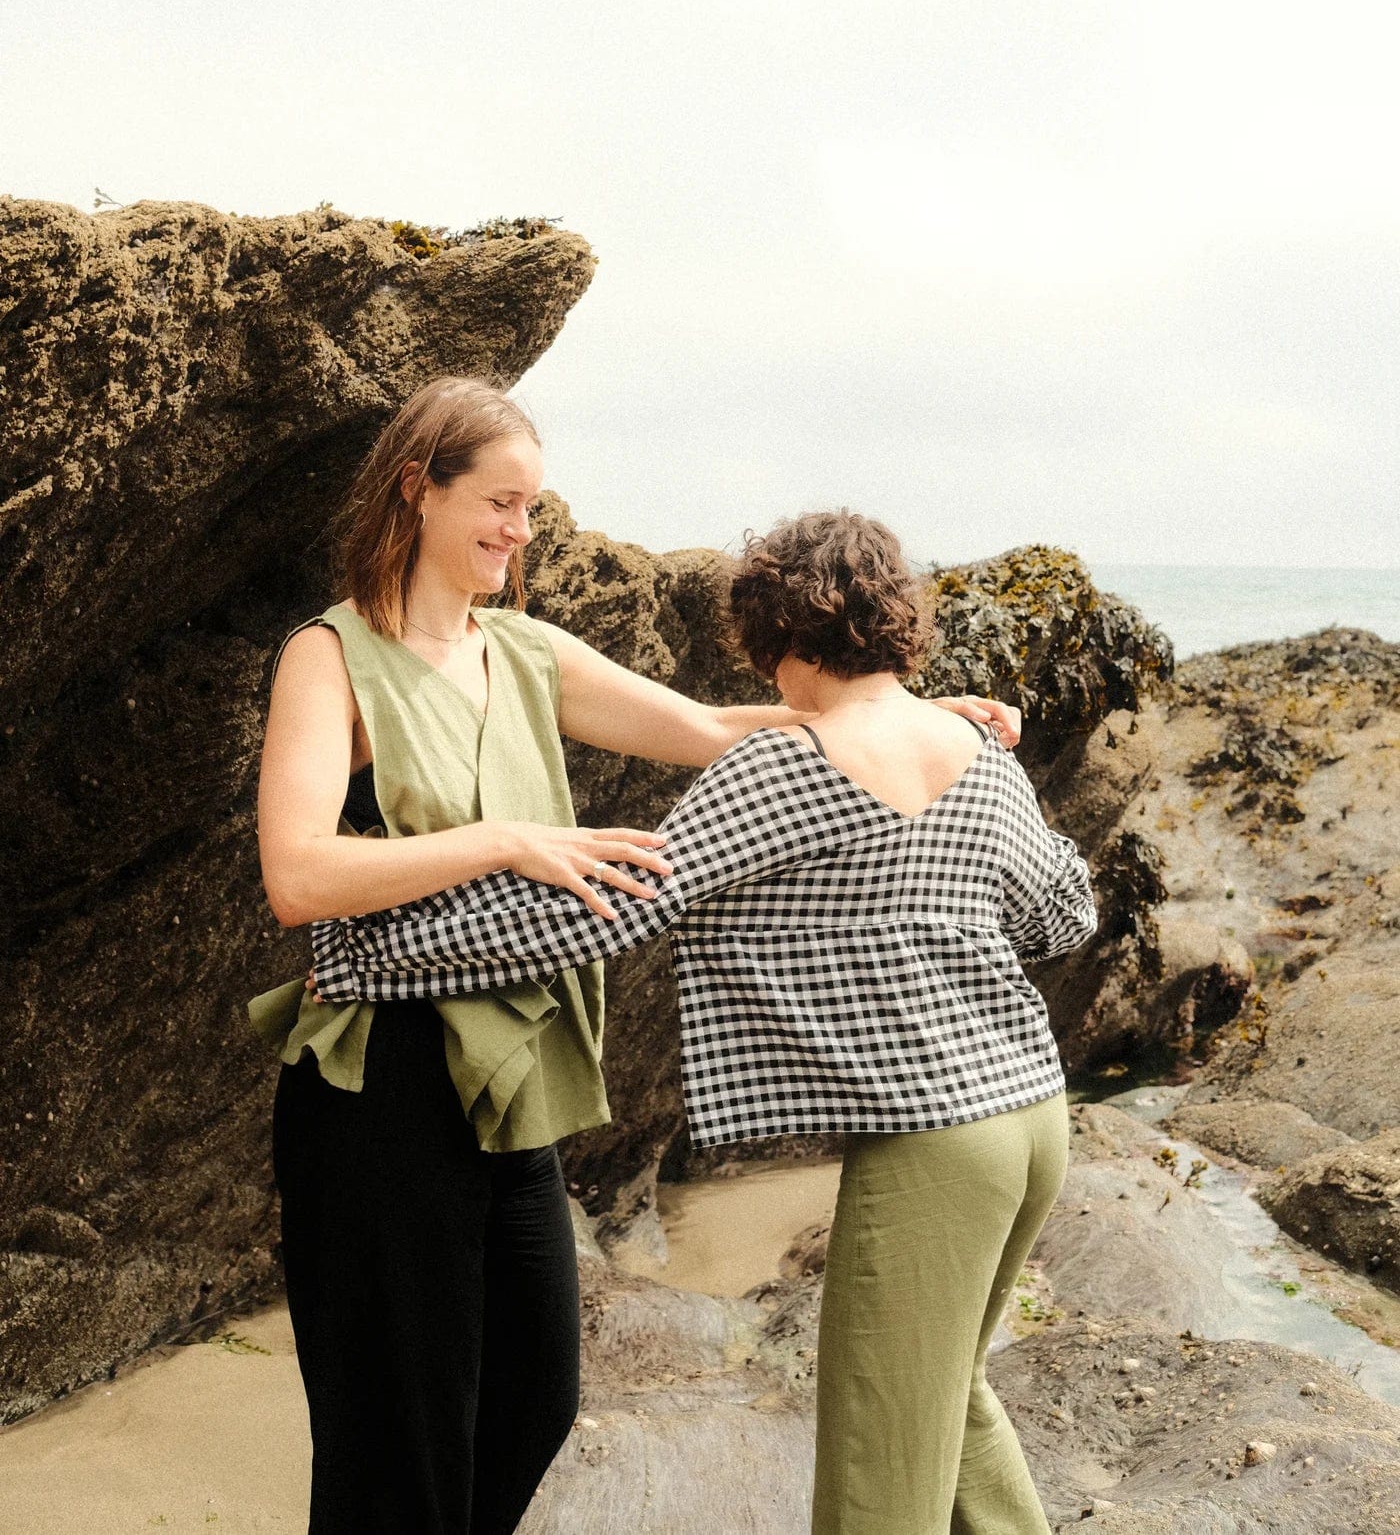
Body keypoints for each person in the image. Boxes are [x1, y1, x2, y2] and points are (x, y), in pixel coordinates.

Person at [251, 379, 1016, 1535]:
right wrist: (508, 839)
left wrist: (900, 710)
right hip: (381, 1084)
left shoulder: (526, 651)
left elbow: (708, 730)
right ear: (419, 487)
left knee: (533, 1398)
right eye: (499, 503)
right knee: (393, 1445)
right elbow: (298, 874)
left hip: (512, 1086)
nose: (518, 530)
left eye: (531, 508)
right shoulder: (330, 655)